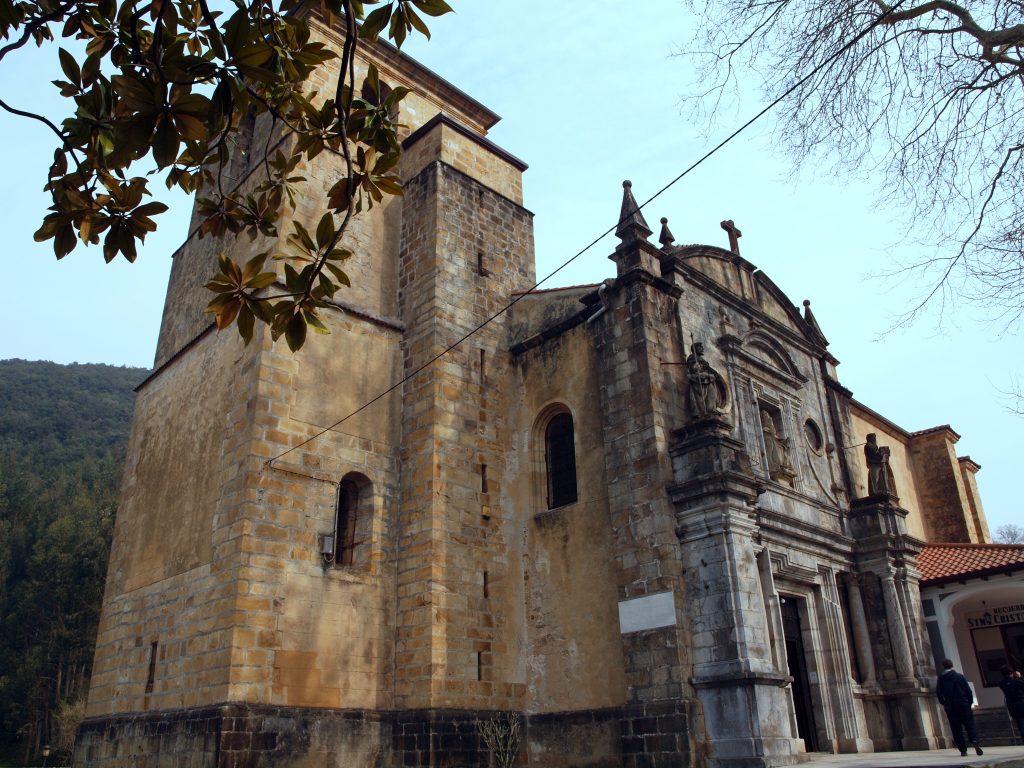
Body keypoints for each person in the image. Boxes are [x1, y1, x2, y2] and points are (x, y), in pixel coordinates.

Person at [936, 659, 983, 756]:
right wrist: (969, 702)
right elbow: (968, 691)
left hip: (951, 705)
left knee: (956, 728)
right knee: (969, 724)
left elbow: (939, 693)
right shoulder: (959, 676)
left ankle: (963, 750)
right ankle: (974, 740)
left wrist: (944, 703)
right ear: (952, 665)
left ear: (944, 666)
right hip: (963, 703)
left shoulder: (942, 678)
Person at [998, 665, 1024, 744]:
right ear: (1011, 672)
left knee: (1020, 725)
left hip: (1012, 705)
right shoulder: (1016, 681)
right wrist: (1019, 677)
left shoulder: (1001, 683)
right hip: (1021, 703)